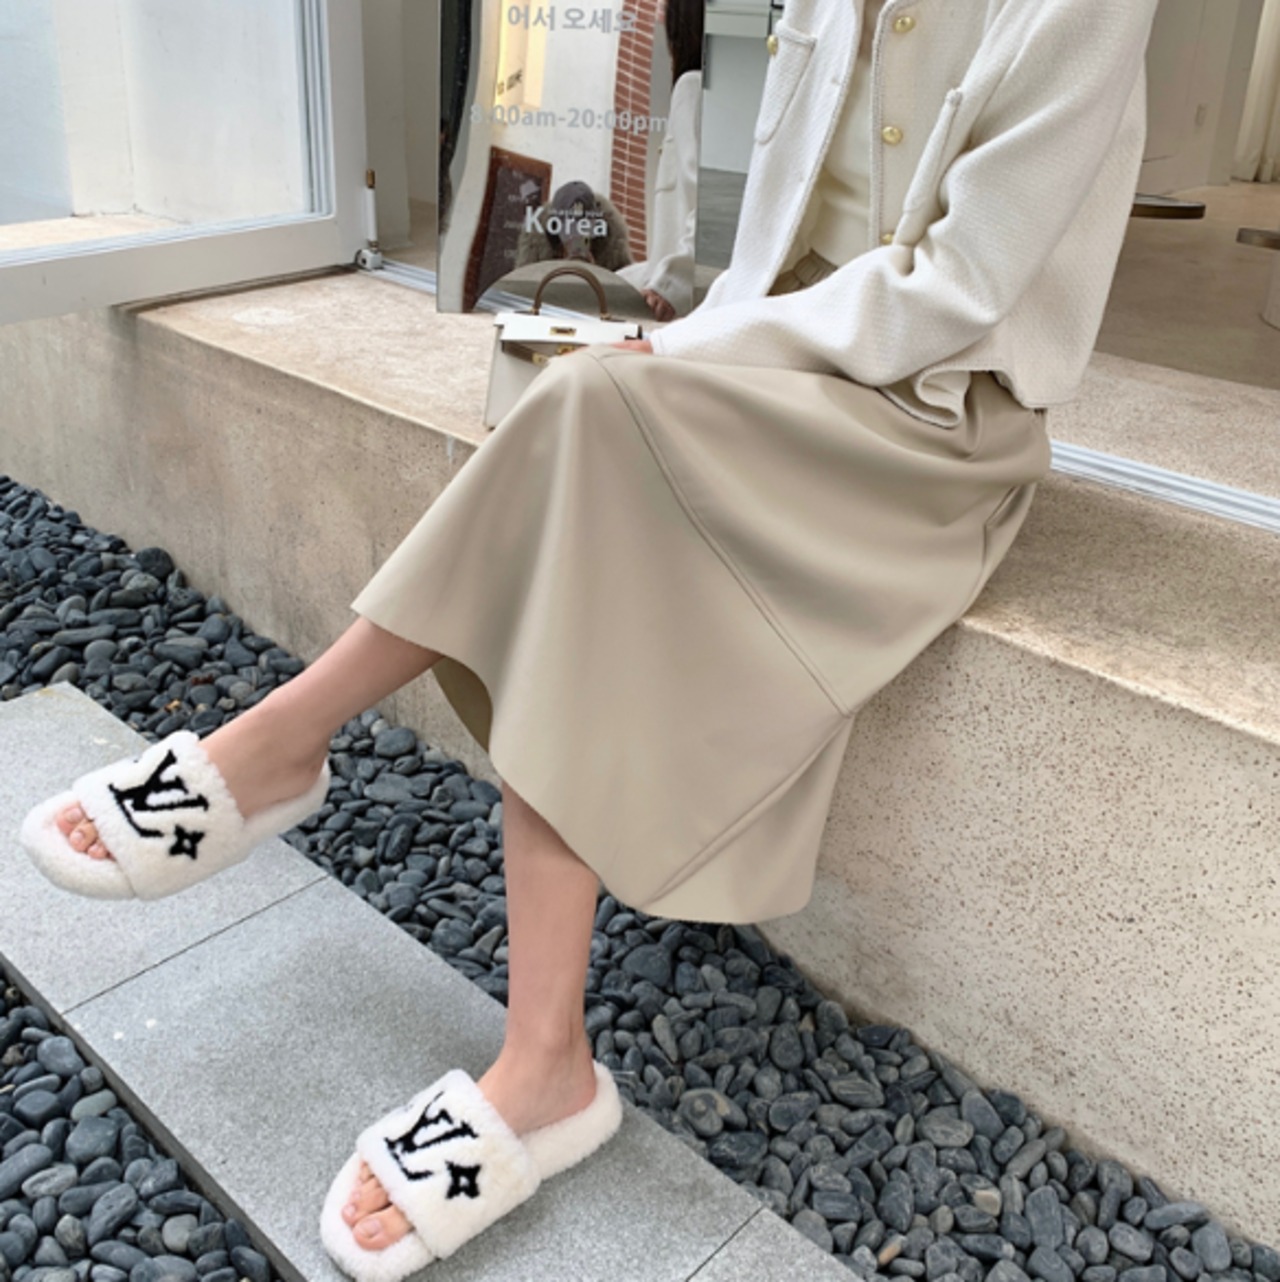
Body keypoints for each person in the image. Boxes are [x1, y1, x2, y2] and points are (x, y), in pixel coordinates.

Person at [21, 1, 1160, 1277]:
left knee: (596, 415)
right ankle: (534, 1050)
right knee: (586, 423)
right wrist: (688, 316)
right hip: (770, 370)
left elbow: (964, 289)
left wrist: (691, 349)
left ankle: (293, 755)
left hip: (930, 426)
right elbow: (778, 227)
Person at [617, 0, 704, 320]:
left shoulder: (691, 88)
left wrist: (670, 283)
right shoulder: (707, 91)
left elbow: (707, 212)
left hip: (677, 313)